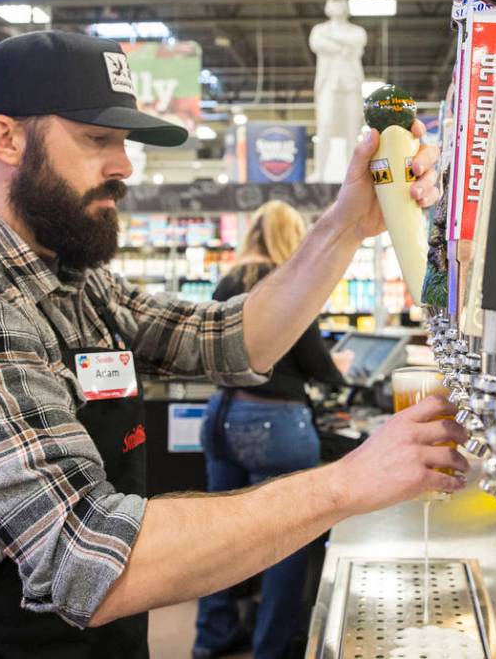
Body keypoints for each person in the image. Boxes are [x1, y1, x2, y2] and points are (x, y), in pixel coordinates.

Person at [0, 30, 466, 659]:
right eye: (98, 139)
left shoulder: (78, 281)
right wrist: (347, 482)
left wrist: (349, 222)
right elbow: (82, 554)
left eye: (123, 142)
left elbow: (228, 339)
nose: (124, 164)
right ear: (6, 138)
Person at [193, 201, 353, 659]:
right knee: (285, 536)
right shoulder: (288, 284)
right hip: (276, 423)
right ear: (292, 236)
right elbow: (313, 362)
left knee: (219, 533)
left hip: (222, 416)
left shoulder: (230, 280)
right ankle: (271, 648)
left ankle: (213, 636)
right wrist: (337, 369)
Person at [308, 0, 368, 182]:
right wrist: (343, 46)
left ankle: (351, 174)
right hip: (328, 83)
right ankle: (320, 171)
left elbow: (358, 41)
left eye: (340, 2)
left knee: (352, 128)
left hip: (351, 83)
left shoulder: (357, 31)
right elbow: (317, 43)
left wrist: (334, 42)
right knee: (324, 125)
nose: (337, 5)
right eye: (333, 1)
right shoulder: (319, 30)